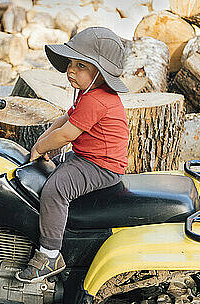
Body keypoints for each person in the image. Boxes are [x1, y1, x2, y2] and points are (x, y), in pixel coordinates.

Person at [15, 27, 130, 283]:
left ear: (100, 73)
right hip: (86, 158)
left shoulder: (97, 100)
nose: (70, 70)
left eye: (80, 66)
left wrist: (41, 148)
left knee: (56, 188)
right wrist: (43, 140)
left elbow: (67, 134)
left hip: (101, 166)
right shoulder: (86, 92)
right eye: (70, 63)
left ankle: (50, 254)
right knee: (43, 171)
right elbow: (66, 119)